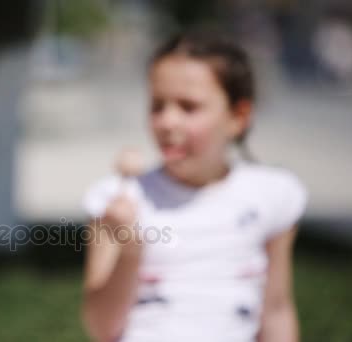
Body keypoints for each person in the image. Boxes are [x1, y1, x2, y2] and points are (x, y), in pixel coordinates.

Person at [81, 30, 307, 342]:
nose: (167, 121)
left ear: (238, 116)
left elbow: (277, 310)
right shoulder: (119, 200)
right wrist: (130, 250)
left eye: (189, 107)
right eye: (157, 105)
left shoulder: (272, 195)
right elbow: (100, 327)